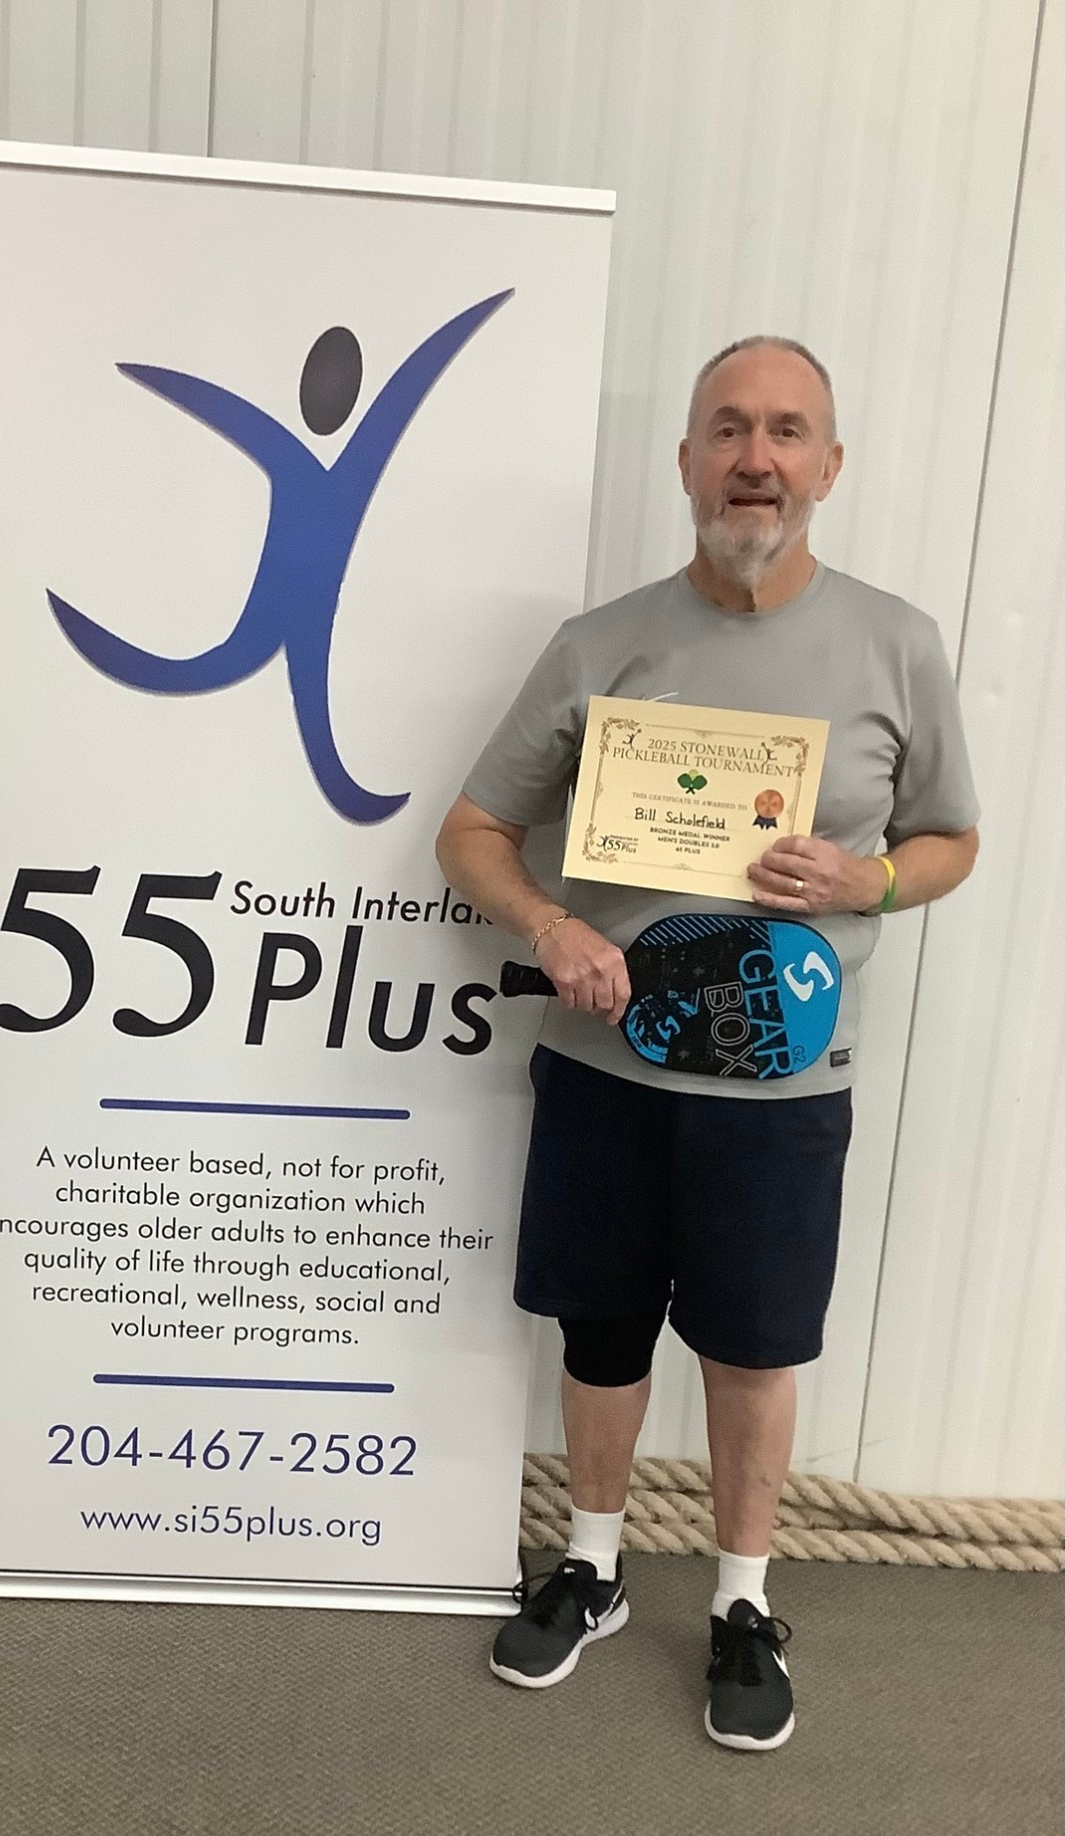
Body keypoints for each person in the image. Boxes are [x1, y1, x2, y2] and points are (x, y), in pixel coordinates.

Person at [436, 336, 979, 1751]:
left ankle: (743, 1601)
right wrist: (551, 925)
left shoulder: (897, 643)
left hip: (784, 1082)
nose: (756, 457)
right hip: (604, 1066)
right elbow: (471, 832)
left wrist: (870, 879)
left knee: (750, 1345)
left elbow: (950, 838)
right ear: (685, 461)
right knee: (601, 1327)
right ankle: (593, 1568)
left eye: (787, 431)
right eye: (728, 429)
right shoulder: (598, 644)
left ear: (828, 466)